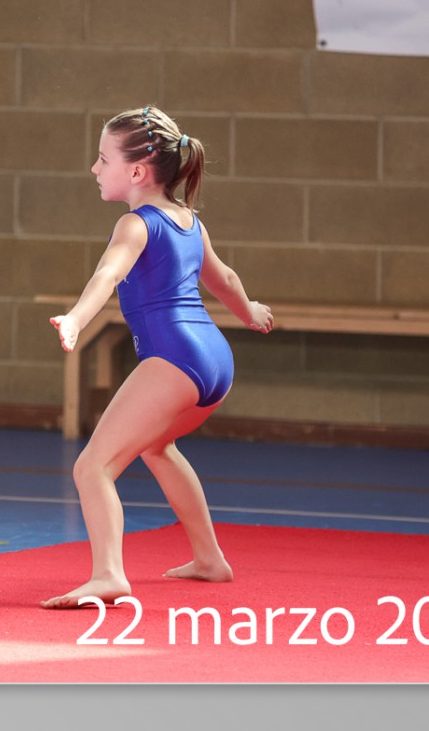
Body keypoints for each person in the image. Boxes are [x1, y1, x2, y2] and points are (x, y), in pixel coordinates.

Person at [42, 106, 274, 609]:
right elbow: (225, 279)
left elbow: (107, 274)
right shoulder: (188, 221)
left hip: (174, 358)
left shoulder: (136, 224)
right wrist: (251, 311)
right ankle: (210, 559)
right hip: (215, 360)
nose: (94, 168)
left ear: (137, 172)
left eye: (104, 159)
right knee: (157, 447)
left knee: (92, 467)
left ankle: (108, 575)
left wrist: (77, 318)